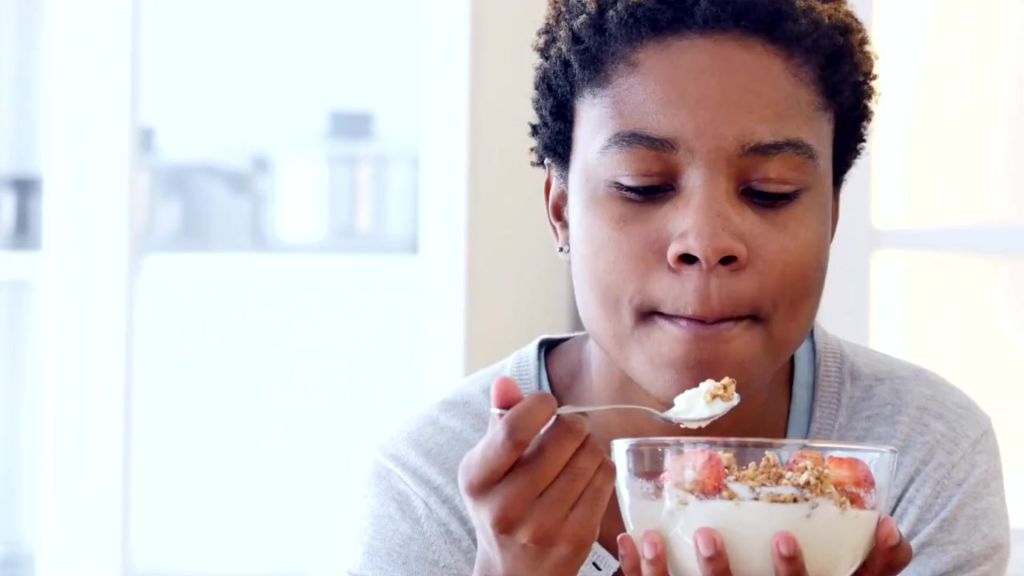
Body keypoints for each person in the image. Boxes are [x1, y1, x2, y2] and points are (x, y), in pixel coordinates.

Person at [348, 1, 1010, 574]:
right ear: (560, 210)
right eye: (644, 185)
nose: (706, 241)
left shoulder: (918, 454)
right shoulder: (433, 481)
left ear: (832, 215)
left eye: (769, 193)